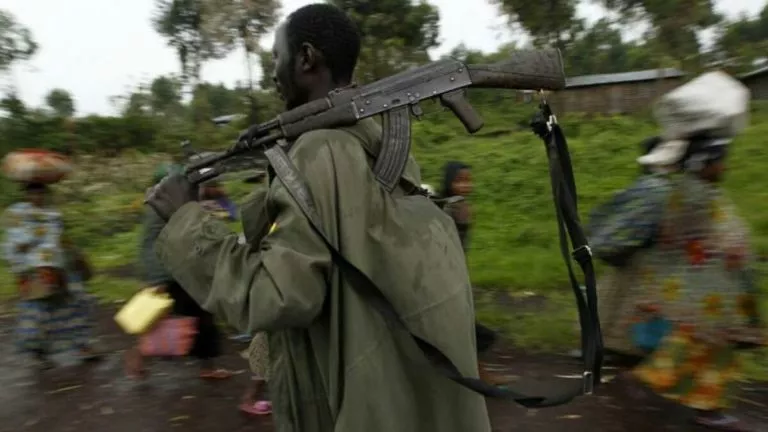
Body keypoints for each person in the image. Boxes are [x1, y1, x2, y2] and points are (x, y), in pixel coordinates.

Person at [145, 4, 490, 431]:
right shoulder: (373, 141)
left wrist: (184, 219)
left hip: (340, 399)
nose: (273, 72)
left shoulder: (319, 151)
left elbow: (276, 294)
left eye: (276, 57)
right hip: (395, 384)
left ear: (306, 58)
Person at [593, 134, 766, 431]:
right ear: (705, 164)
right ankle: (693, 401)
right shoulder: (692, 194)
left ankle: (701, 404)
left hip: (713, 290)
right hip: (705, 291)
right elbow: (687, 238)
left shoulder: (699, 191)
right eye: (720, 161)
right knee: (702, 349)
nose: (724, 167)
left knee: (702, 349)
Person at [133, 164, 233, 380]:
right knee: (165, 316)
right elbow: (151, 244)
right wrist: (158, 279)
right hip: (168, 272)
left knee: (199, 314)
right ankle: (139, 356)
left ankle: (206, 366)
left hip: (181, 268)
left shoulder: (168, 203)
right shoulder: (159, 208)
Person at [3, 182, 101, 370]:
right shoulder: (16, 214)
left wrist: (77, 256)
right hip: (34, 271)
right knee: (38, 312)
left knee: (75, 303)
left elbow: (62, 239)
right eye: (33, 192)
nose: (37, 196)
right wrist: (32, 237)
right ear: (25, 194)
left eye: (41, 192)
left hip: (61, 268)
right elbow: (13, 245)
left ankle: (83, 346)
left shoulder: (53, 214)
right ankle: (37, 354)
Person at [439, 161, 500, 380]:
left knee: (461, 322)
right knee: (463, 324)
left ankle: (476, 370)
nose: (465, 186)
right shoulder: (448, 207)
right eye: (460, 180)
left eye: (468, 180)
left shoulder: (459, 205)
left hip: (456, 269)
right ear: (449, 182)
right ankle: (478, 373)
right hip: (444, 271)